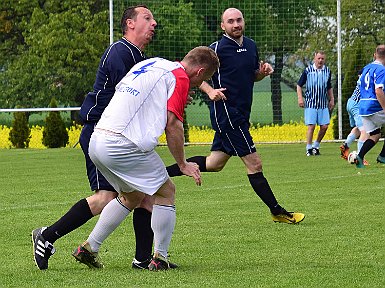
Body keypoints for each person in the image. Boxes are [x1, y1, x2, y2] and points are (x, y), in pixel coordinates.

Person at [32, 5, 162, 270]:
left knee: (144, 195)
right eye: (147, 18)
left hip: (117, 137)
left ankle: (142, 260)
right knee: (106, 197)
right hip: (102, 134)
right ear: (129, 24)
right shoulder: (120, 52)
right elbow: (129, 98)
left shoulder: (136, 56)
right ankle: (46, 236)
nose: (154, 24)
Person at [71, 46, 219, 270]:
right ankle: (160, 258)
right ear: (199, 72)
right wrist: (183, 164)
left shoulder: (153, 63)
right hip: (122, 144)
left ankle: (89, 247)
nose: (199, 85)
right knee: (167, 191)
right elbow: (173, 125)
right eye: (204, 79)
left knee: (132, 195)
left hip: (98, 139)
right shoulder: (179, 78)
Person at [166, 8, 305, 224]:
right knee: (254, 164)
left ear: (244, 22)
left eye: (238, 20)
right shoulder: (216, 49)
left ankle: (159, 175)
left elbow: (252, 77)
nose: (236, 24)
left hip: (241, 112)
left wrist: (262, 73)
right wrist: (210, 91)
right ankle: (277, 211)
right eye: (230, 21)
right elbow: (192, 72)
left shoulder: (251, 46)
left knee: (214, 163)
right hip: (227, 113)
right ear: (223, 26)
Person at [297, 51, 335, 156]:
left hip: (323, 104)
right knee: (311, 126)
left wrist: (331, 99)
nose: (320, 60)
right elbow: (299, 85)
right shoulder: (308, 71)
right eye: (319, 58)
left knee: (324, 127)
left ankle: (316, 146)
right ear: (314, 58)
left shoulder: (327, 71)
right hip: (311, 103)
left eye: (322, 59)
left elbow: (329, 87)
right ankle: (308, 148)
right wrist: (300, 98)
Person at [355, 44, 385, 168]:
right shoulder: (381, 70)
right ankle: (383, 156)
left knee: (375, 135)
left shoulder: (366, 68)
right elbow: (378, 91)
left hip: (363, 107)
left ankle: (360, 157)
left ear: (375, 55)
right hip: (374, 106)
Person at [339, 73, 369, 164]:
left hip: (351, 102)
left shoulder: (365, 76)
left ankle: (346, 145)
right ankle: (360, 158)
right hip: (357, 106)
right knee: (364, 131)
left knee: (358, 128)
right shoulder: (372, 77)